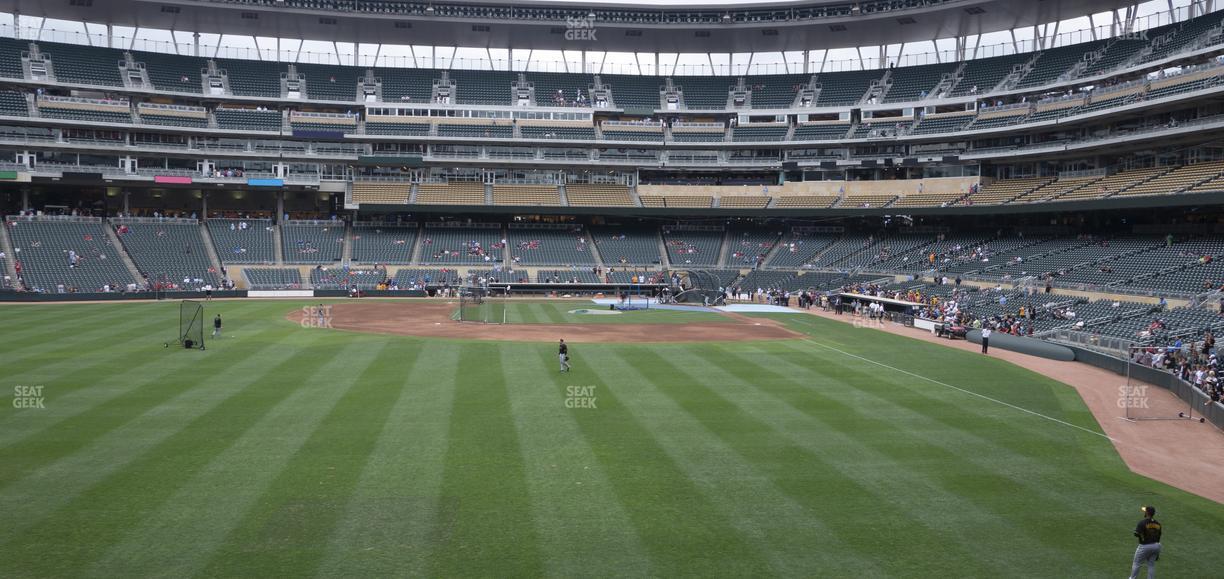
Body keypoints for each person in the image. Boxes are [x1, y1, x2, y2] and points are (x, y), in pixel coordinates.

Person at [1129, 506, 1162, 579]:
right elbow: (1159, 537)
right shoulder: (1158, 524)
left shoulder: (1142, 522)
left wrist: (1137, 533)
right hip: (1156, 546)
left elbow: (1136, 534)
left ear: (1147, 513)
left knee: (1137, 563)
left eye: (1145, 511)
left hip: (1145, 546)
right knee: (1151, 565)